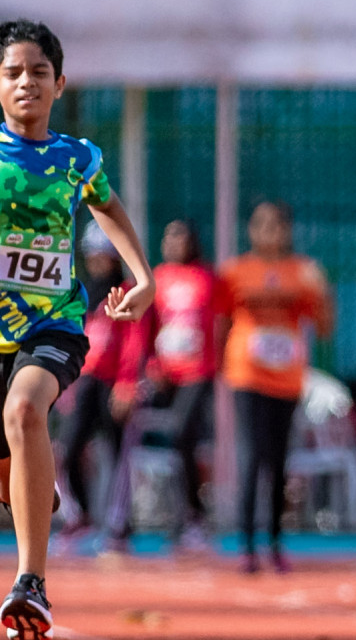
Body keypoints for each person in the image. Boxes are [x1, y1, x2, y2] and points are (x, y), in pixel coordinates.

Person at [0, 19, 155, 640]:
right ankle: (28, 486)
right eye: (12, 73)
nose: (26, 83)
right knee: (10, 451)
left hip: (52, 323)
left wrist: (142, 276)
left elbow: (108, 207)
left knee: (24, 412)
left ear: (59, 84)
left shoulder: (77, 158)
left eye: (38, 72)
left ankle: (30, 581)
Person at [219, 201, 333, 575]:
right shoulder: (236, 272)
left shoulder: (302, 272)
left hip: (286, 379)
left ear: (288, 230)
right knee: (250, 457)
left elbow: (325, 325)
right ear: (251, 229)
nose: (269, 232)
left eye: (277, 225)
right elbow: (220, 320)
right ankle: (247, 545)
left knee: (279, 460)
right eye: (261, 224)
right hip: (247, 375)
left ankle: (275, 542)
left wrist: (323, 291)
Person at [107, 219, 223, 552]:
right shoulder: (156, 278)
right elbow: (145, 330)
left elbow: (219, 323)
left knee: (182, 432)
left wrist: (218, 364)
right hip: (164, 374)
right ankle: (123, 523)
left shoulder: (208, 278)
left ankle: (193, 517)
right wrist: (147, 369)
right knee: (140, 437)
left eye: (181, 237)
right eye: (169, 237)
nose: (174, 243)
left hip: (198, 372)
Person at [56, 224, 146, 540]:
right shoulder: (82, 294)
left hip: (114, 384)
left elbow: (134, 343)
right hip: (86, 380)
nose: (97, 262)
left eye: (103, 255)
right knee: (68, 449)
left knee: (118, 453)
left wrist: (127, 384)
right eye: (92, 255)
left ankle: (119, 523)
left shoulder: (126, 290)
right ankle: (79, 515)